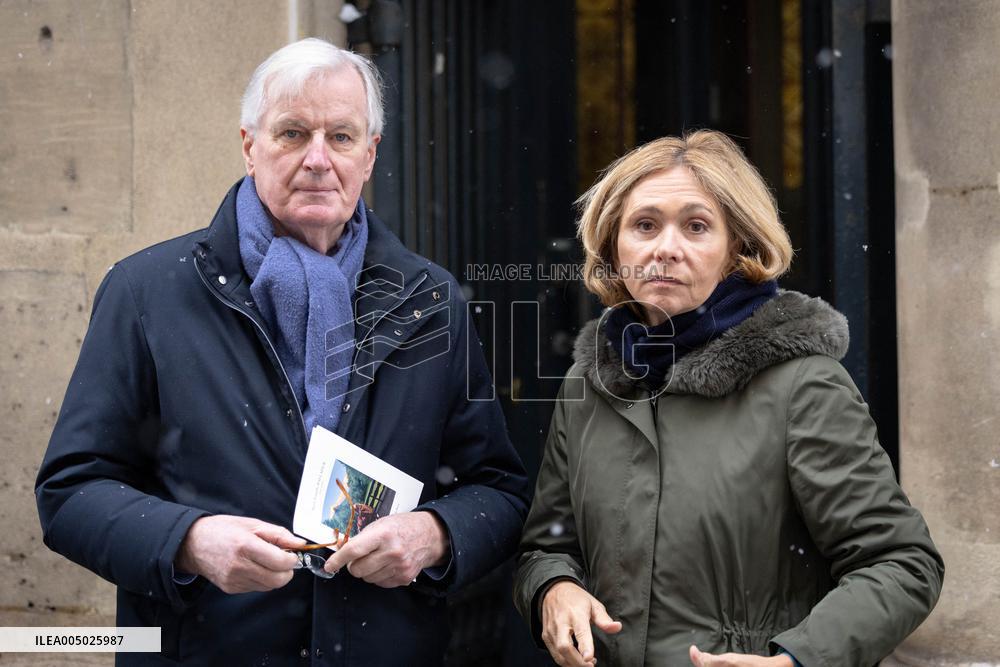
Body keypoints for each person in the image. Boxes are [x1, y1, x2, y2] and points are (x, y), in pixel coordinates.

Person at [36, 38, 529, 665]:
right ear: (250, 146)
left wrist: (434, 535)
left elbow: (499, 490)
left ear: (371, 155)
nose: (318, 160)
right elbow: (71, 492)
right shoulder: (146, 292)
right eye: (292, 133)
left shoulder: (431, 300)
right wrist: (189, 542)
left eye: (342, 137)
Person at [513, 130, 943, 666]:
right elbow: (547, 546)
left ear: (737, 248)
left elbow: (902, 563)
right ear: (613, 245)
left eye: (696, 226)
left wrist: (795, 660)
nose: (665, 247)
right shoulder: (591, 385)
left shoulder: (803, 385)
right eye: (644, 224)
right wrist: (553, 588)